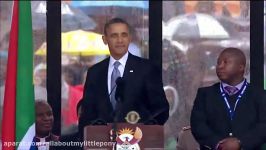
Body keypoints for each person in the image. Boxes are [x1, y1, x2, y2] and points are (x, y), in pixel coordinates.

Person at [79, 18, 169, 133]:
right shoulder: (95, 72)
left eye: (124, 35)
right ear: (105, 39)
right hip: (102, 141)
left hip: (138, 141)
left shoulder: (146, 69)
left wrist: (146, 130)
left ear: (130, 38)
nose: (120, 40)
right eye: (114, 36)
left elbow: (160, 109)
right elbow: (87, 112)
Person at [190, 47, 266, 150]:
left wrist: (240, 143)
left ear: (241, 67)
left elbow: (263, 126)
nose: (220, 66)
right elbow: (198, 125)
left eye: (225, 62)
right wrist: (218, 144)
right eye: (218, 63)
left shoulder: (260, 95)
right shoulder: (205, 94)